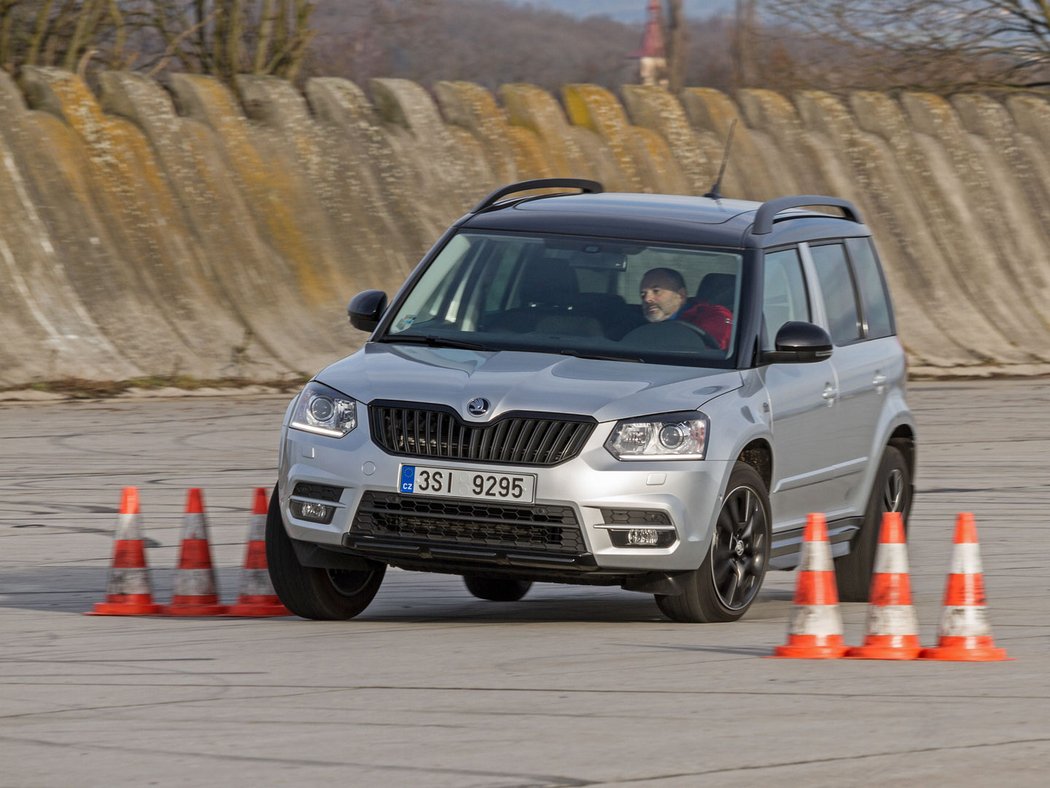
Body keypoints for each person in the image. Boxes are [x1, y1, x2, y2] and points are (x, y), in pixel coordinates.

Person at [639, 267, 733, 349]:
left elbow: (711, 354)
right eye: (643, 294)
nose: (647, 299)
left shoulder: (714, 316)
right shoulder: (636, 322)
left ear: (681, 295)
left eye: (656, 291)